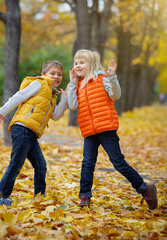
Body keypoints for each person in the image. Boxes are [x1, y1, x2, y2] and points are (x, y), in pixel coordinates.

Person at [67, 49, 158, 210]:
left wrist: (112, 76)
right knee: (87, 163)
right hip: (89, 131)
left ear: (91, 64)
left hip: (106, 128)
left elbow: (116, 95)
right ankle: (84, 196)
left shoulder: (102, 78)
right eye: (76, 63)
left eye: (82, 62)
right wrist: (73, 84)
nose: (77, 65)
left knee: (118, 163)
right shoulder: (78, 85)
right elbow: (73, 105)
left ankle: (145, 189)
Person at [0, 60, 68, 206]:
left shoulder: (53, 96)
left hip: (31, 134)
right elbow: (19, 96)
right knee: (16, 165)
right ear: (44, 74)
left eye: (59, 74)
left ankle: (39, 197)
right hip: (22, 129)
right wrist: (2, 112)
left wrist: (65, 99)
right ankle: (0, 197)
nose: (56, 76)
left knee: (41, 165)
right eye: (53, 73)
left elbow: (55, 115)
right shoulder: (39, 84)